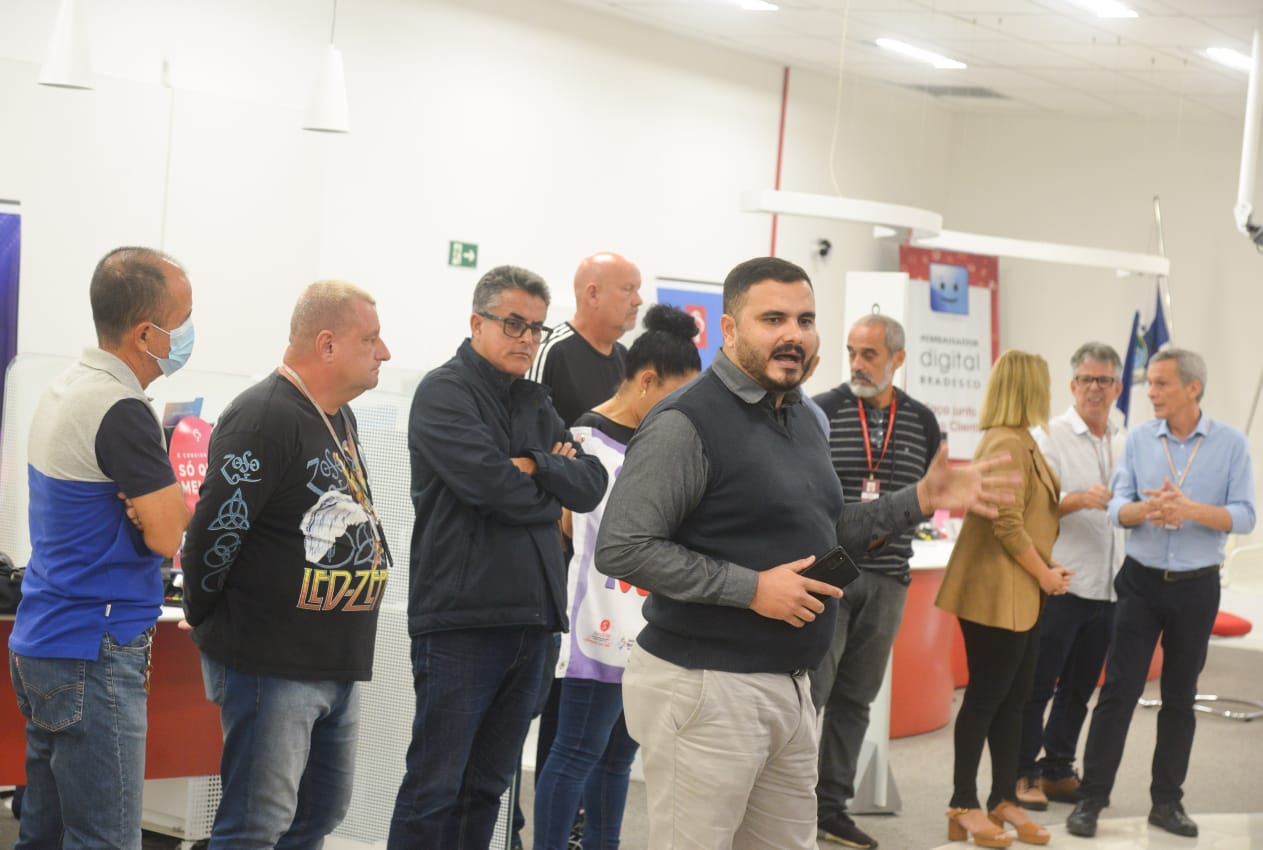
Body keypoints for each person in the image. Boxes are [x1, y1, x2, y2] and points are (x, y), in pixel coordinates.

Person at [596, 256, 1020, 850]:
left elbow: (829, 529)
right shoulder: (686, 421)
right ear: (730, 329)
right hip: (706, 686)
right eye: (773, 319)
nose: (794, 335)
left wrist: (920, 499)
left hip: (792, 688)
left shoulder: (803, 418)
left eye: (805, 320)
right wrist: (752, 588)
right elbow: (623, 546)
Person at [388, 265, 608, 850]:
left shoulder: (536, 400)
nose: (527, 338)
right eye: (514, 323)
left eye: (536, 328)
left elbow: (590, 485)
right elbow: (491, 487)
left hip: (533, 622)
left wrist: (534, 464)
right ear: (477, 323)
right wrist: (549, 487)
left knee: (487, 789)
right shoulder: (444, 393)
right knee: (434, 788)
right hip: (462, 623)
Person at [180, 280, 392, 848]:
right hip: (272, 664)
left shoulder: (336, 415)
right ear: (327, 345)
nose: (385, 352)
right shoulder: (263, 416)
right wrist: (204, 616)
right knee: (256, 825)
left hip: (335, 660)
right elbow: (213, 535)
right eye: (370, 339)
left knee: (319, 814)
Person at [8, 246, 193, 849]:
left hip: (48, 639)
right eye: (183, 321)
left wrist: (155, 506)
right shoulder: (122, 410)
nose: (190, 334)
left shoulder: (67, 388)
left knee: (45, 835)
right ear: (146, 333)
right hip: (95, 649)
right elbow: (169, 534)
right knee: (106, 839)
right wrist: (165, 508)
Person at [1067, 348, 1255, 840]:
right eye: (1149, 383)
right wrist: (1148, 511)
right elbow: (1118, 509)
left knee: (1179, 698)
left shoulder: (1230, 444)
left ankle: (1167, 803)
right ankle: (1091, 799)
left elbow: (1245, 516)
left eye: (1160, 384)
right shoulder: (1139, 440)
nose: (1149, 392)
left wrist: (1189, 510)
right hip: (1141, 582)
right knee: (1118, 692)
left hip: (1197, 587)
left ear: (1192, 388)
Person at [532, 304, 702, 850]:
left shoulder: (658, 445)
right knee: (575, 751)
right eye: (677, 396)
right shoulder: (584, 440)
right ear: (647, 381)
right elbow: (565, 531)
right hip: (597, 626)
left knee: (617, 758)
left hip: (646, 627)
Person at [521, 250, 643, 847]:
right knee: (560, 713)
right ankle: (542, 828)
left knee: (604, 735)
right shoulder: (555, 352)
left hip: (609, 575)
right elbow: (537, 448)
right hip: (559, 562)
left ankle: (578, 829)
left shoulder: (622, 362)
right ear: (591, 292)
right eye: (627, 289)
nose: (637, 300)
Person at [809, 314, 942, 849]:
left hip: (889, 577)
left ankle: (830, 807)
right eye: (852, 352)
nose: (857, 364)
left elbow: (926, 495)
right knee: (810, 693)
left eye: (870, 354)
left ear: (897, 359)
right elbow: (807, 493)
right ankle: (788, 801)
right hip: (830, 570)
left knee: (857, 697)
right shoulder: (821, 411)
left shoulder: (922, 421)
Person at [936, 349, 1072, 849]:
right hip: (995, 594)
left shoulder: (1022, 440)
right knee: (985, 700)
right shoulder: (1004, 441)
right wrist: (1046, 574)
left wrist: (1046, 570)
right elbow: (1007, 526)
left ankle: (1000, 798)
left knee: (1014, 702)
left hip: (1022, 592)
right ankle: (962, 803)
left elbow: (1031, 518)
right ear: (1030, 388)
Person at [1016, 343, 1125, 810]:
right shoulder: (1050, 436)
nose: (1094, 388)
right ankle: (1022, 772)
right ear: (1072, 385)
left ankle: (1058, 769)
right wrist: (1080, 499)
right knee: (1037, 686)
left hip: (1109, 586)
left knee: (1079, 689)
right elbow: (1034, 506)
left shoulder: (1124, 438)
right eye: (1086, 379)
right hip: (1061, 582)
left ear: (1117, 387)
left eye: (1104, 380)